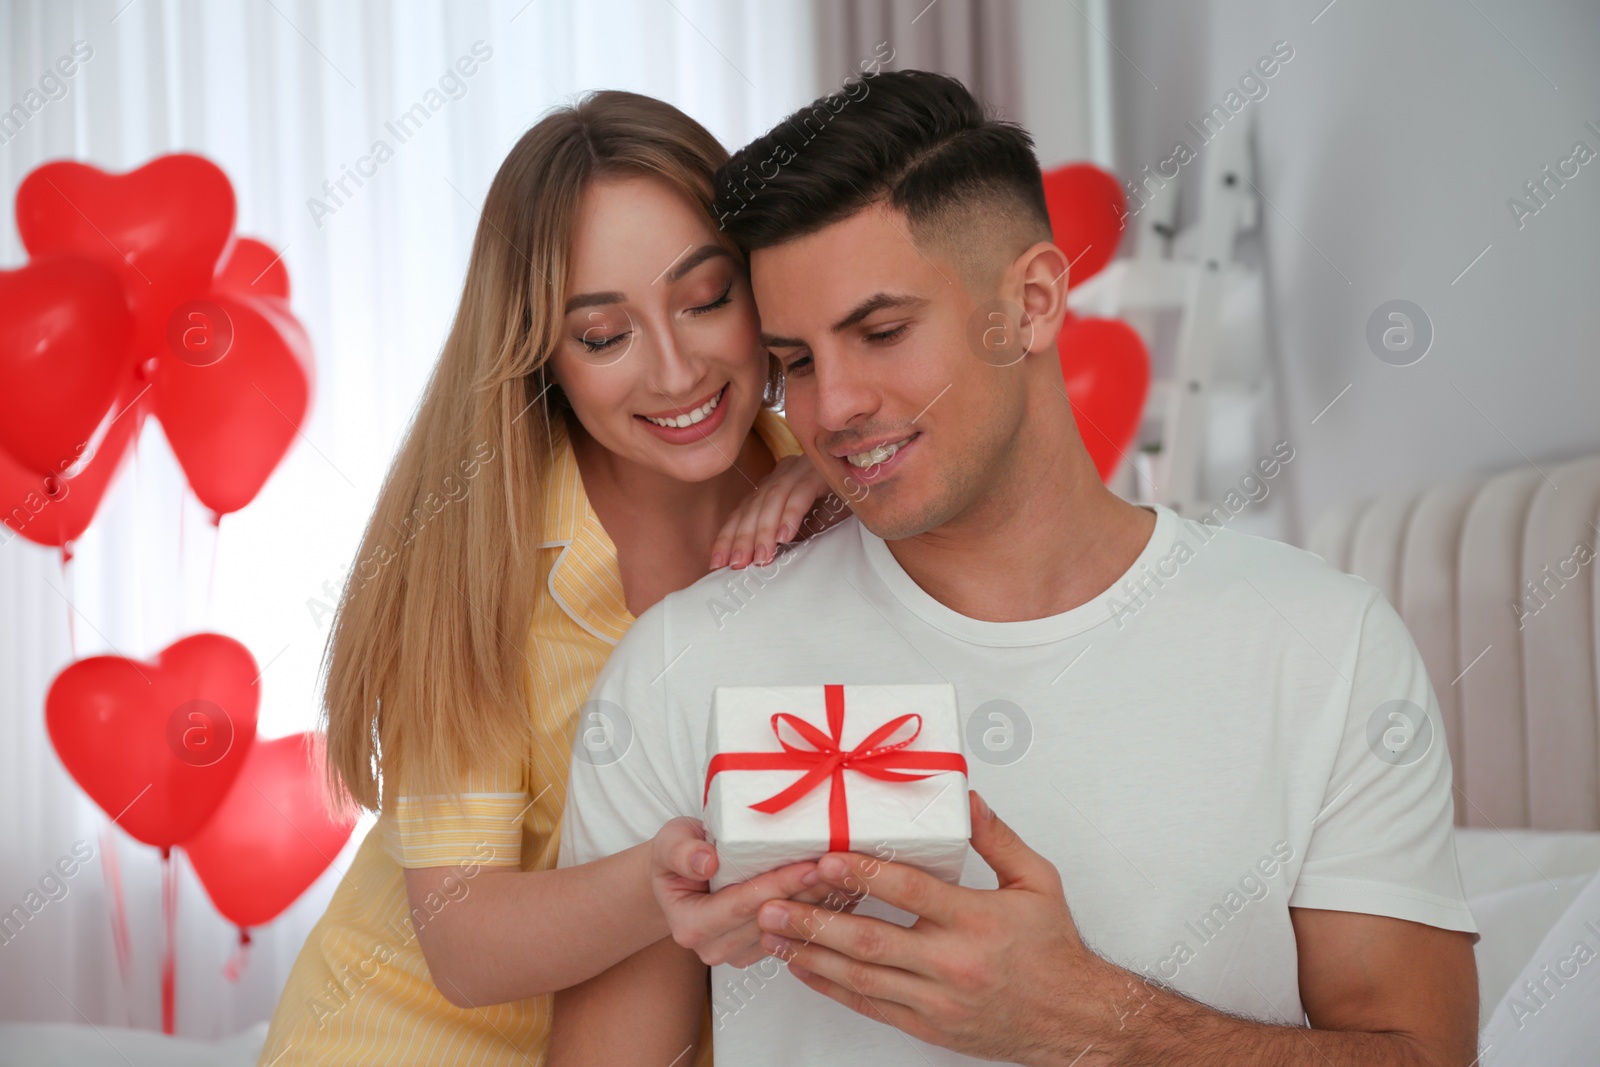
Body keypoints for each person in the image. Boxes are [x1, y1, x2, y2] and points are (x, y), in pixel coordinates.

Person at [549, 70, 1480, 1066]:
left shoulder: (1323, 645)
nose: (831, 408)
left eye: (881, 332)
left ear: (1032, 301)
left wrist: (1097, 1022)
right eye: (798, 360)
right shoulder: (683, 666)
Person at [259, 91, 847, 1066]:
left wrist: (829, 472)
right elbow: (462, 938)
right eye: (605, 335)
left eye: (706, 299)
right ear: (545, 356)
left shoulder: (825, 485)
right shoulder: (479, 566)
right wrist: (662, 881)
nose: (675, 371)